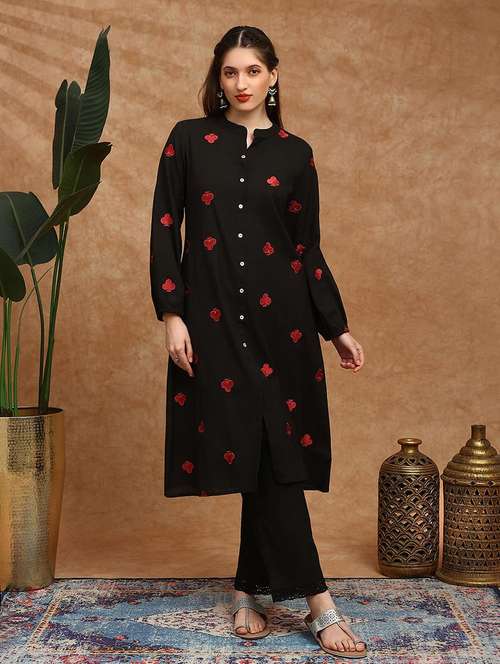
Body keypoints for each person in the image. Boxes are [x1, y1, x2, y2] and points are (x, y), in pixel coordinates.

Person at [150, 25, 368, 659]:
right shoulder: (188, 140)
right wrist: (172, 313)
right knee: (263, 450)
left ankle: (249, 589)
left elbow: (307, 249)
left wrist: (336, 327)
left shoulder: (296, 155)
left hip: (284, 327)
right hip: (214, 322)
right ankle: (320, 603)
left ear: (273, 76)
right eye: (229, 72)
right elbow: (165, 226)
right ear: (217, 79)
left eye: (252, 71)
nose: (240, 83)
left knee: (270, 453)